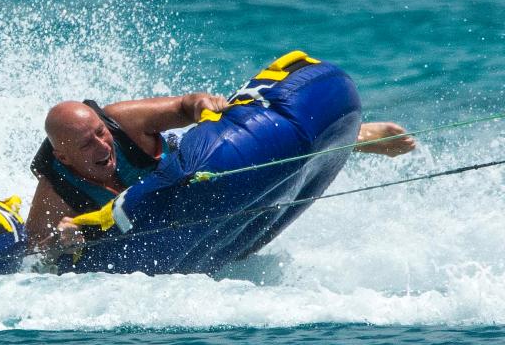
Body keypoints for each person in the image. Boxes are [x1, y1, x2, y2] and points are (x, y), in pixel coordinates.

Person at [26, 95, 417, 248]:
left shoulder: (121, 123)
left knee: (266, 150)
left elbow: (184, 106)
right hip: (156, 227)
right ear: (63, 158)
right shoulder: (55, 191)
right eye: (86, 145)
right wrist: (63, 240)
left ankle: (356, 136)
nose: (102, 146)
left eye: (99, 134)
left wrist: (203, 106)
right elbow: (37, 253)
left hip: (193, 178)